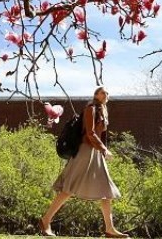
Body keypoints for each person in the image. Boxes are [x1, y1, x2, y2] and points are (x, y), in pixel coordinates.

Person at [40, 86, 128, 239]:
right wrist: (104, 149)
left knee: (106, 190)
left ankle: (110, 229)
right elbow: (90, 132)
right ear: (96, 95)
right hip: (86, 151)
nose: (106, 94)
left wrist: (101, 149)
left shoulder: (102, 110)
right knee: (69, 188)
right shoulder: (91, 108)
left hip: (96, 153)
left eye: (107, 93)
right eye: (102, 92)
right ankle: (45, 220)